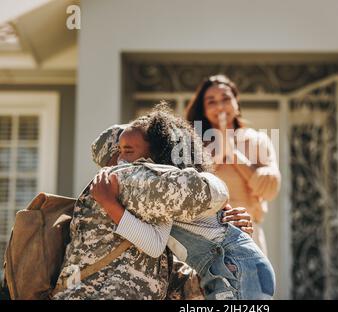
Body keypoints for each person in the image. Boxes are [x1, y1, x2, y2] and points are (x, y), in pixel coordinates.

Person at [92, 106, 275, 299]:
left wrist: (109, 203)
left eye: (128, 151)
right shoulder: (107, 205)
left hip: (233, 271)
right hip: (229, 272)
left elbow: (155, 243)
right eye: (115, 158)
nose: (121, 165)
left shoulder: (164, 190)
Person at [51, 110, 231, 300]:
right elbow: (209, 193)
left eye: (128, 151)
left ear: (156, 151)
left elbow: (157, 255)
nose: (119, 163)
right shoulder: (127, 182)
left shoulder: (148, 204)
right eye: (117, 152)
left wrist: (223, 224)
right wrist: (219, 207)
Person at [185, 75, 281, 255]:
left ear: (237, 102)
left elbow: (269, 188)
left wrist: (233, 153)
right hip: (205, 238)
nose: (220, 106)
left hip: (248, 235)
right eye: (211, 101)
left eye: (226, 99)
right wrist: (219, 152)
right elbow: (188, 189)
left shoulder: (257, 140)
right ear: (204, 109)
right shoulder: (194, 144)